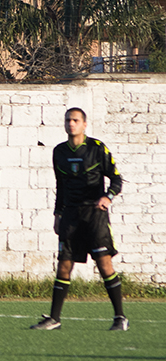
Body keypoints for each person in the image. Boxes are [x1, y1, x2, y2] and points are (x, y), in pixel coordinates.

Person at [31, 108, 127, 331]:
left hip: (94, 216)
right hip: (71, 216)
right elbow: (60, 186)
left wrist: (107, 197)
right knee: (64, 266)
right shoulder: (59, 152)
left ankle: (120, 317)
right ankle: (54, 318)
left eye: (75, 120)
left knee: (104, 265)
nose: (71, 124)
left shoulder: (97, 148)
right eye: (68, 120)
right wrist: (58, 214)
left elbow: (116, 179)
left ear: (84, 124)